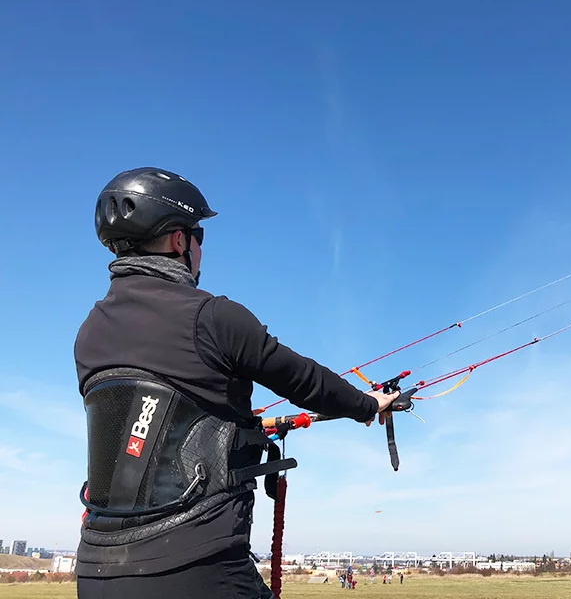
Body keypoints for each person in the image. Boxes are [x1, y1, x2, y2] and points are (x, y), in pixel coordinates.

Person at [74, 167, 399, 598]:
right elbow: (303, 380)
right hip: (194, 562)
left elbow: (150, 420)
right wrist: (368, 404)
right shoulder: (212, 317)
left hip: (96, 570)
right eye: (198, 236)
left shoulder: (89, 333)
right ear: (179, 241)